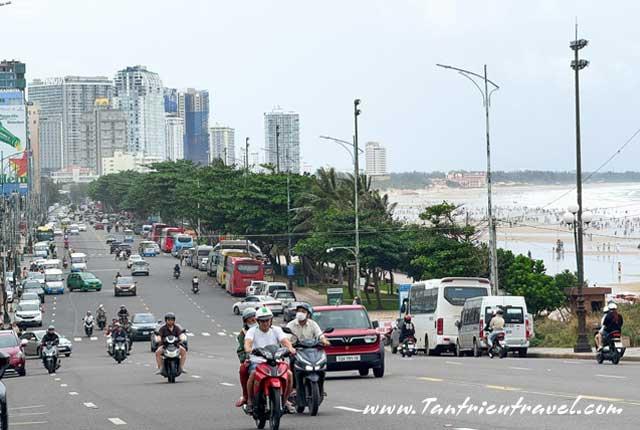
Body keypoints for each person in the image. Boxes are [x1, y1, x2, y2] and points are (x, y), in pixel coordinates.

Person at [244, 307, 295, 414]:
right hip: (258, 361)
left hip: (275, 360)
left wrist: (290, 348)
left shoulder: (276, 330)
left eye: (267, 320)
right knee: (253, 373)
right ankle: (250, 401)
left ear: (271, 320)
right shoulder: (252, 331)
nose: (265, 323)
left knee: (289, 374)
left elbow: (285, 341)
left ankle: (285, 401)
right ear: (258, 321)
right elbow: (248, 343)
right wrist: (249, 349)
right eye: (262, 321)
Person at [235, 308, 257, 407]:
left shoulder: (268, 329)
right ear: (245, 322)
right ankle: (246, 396)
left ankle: (284, 399)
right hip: (253, 360)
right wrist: (245, 359)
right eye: (250, 320)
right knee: (243, 370)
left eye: (255, 320)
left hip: (269, 358)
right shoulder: (243, 333)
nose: (253, 322)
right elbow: (240, 350)